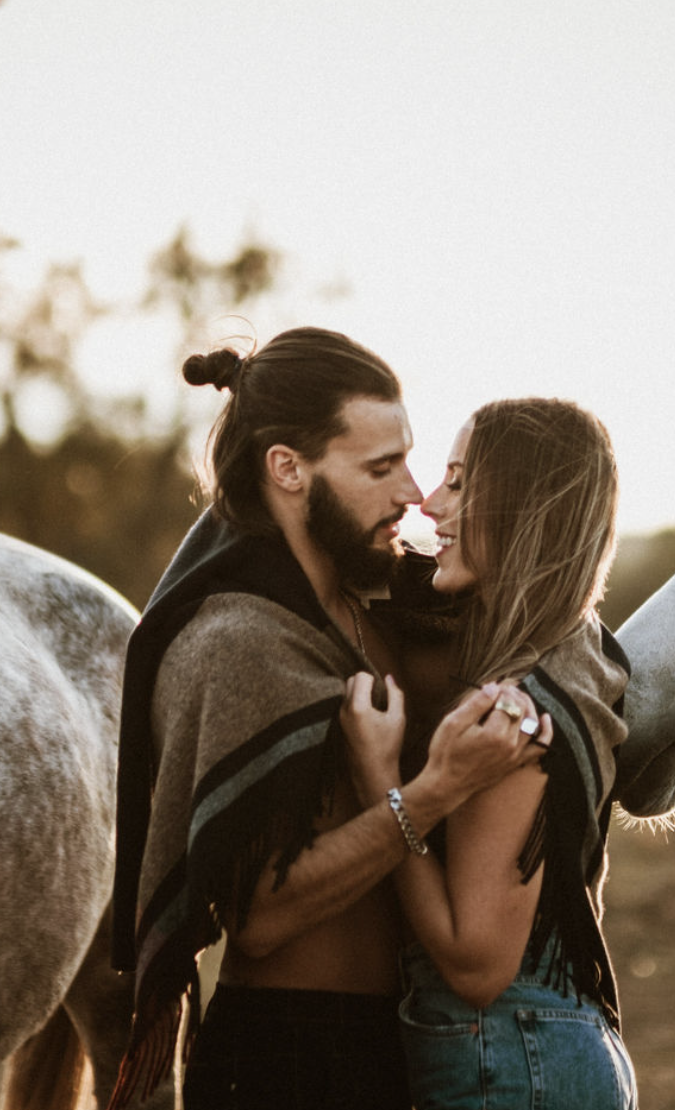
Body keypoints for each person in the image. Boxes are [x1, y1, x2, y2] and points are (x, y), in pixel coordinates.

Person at [108, 328, 550, 1110]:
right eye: (380, 468)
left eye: (409, 461)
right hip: (289, 1056)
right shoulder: (240, 640)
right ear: (287, 468)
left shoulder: (368, 608)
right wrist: (433, 792)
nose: (412, 493)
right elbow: (260, 922)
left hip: (395, 1041)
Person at [342, 397, 637, 1110]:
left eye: (460, 481)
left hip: (509, 1059)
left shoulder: (510, 715)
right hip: (548, 1048)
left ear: (524, 508)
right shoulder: (579, 656)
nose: (433, 505)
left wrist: (381, 780)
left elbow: (476, 963)